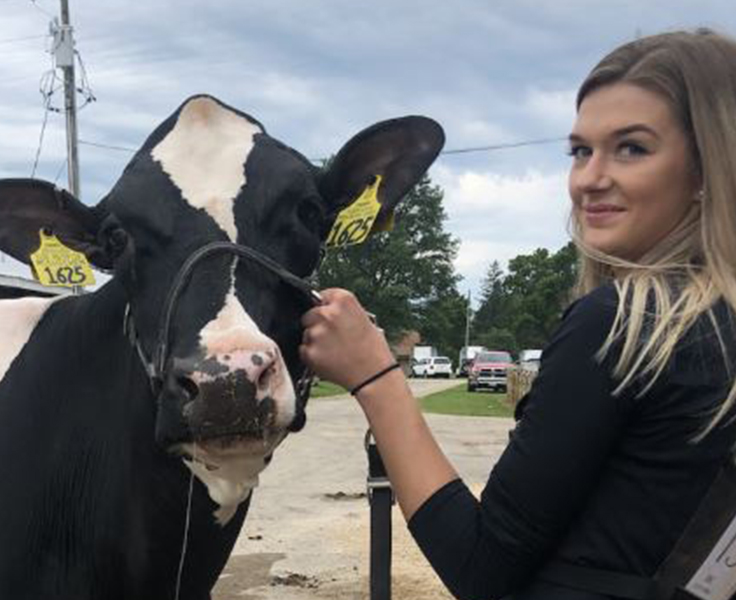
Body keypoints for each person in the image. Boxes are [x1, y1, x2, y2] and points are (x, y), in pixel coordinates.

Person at [301, 29, 736, 600]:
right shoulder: (716, 328)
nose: (590, 178)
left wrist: (376, 377)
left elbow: (481, 567)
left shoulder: (625, 325)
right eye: (580, 150)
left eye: (631, 147)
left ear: (706, 168)